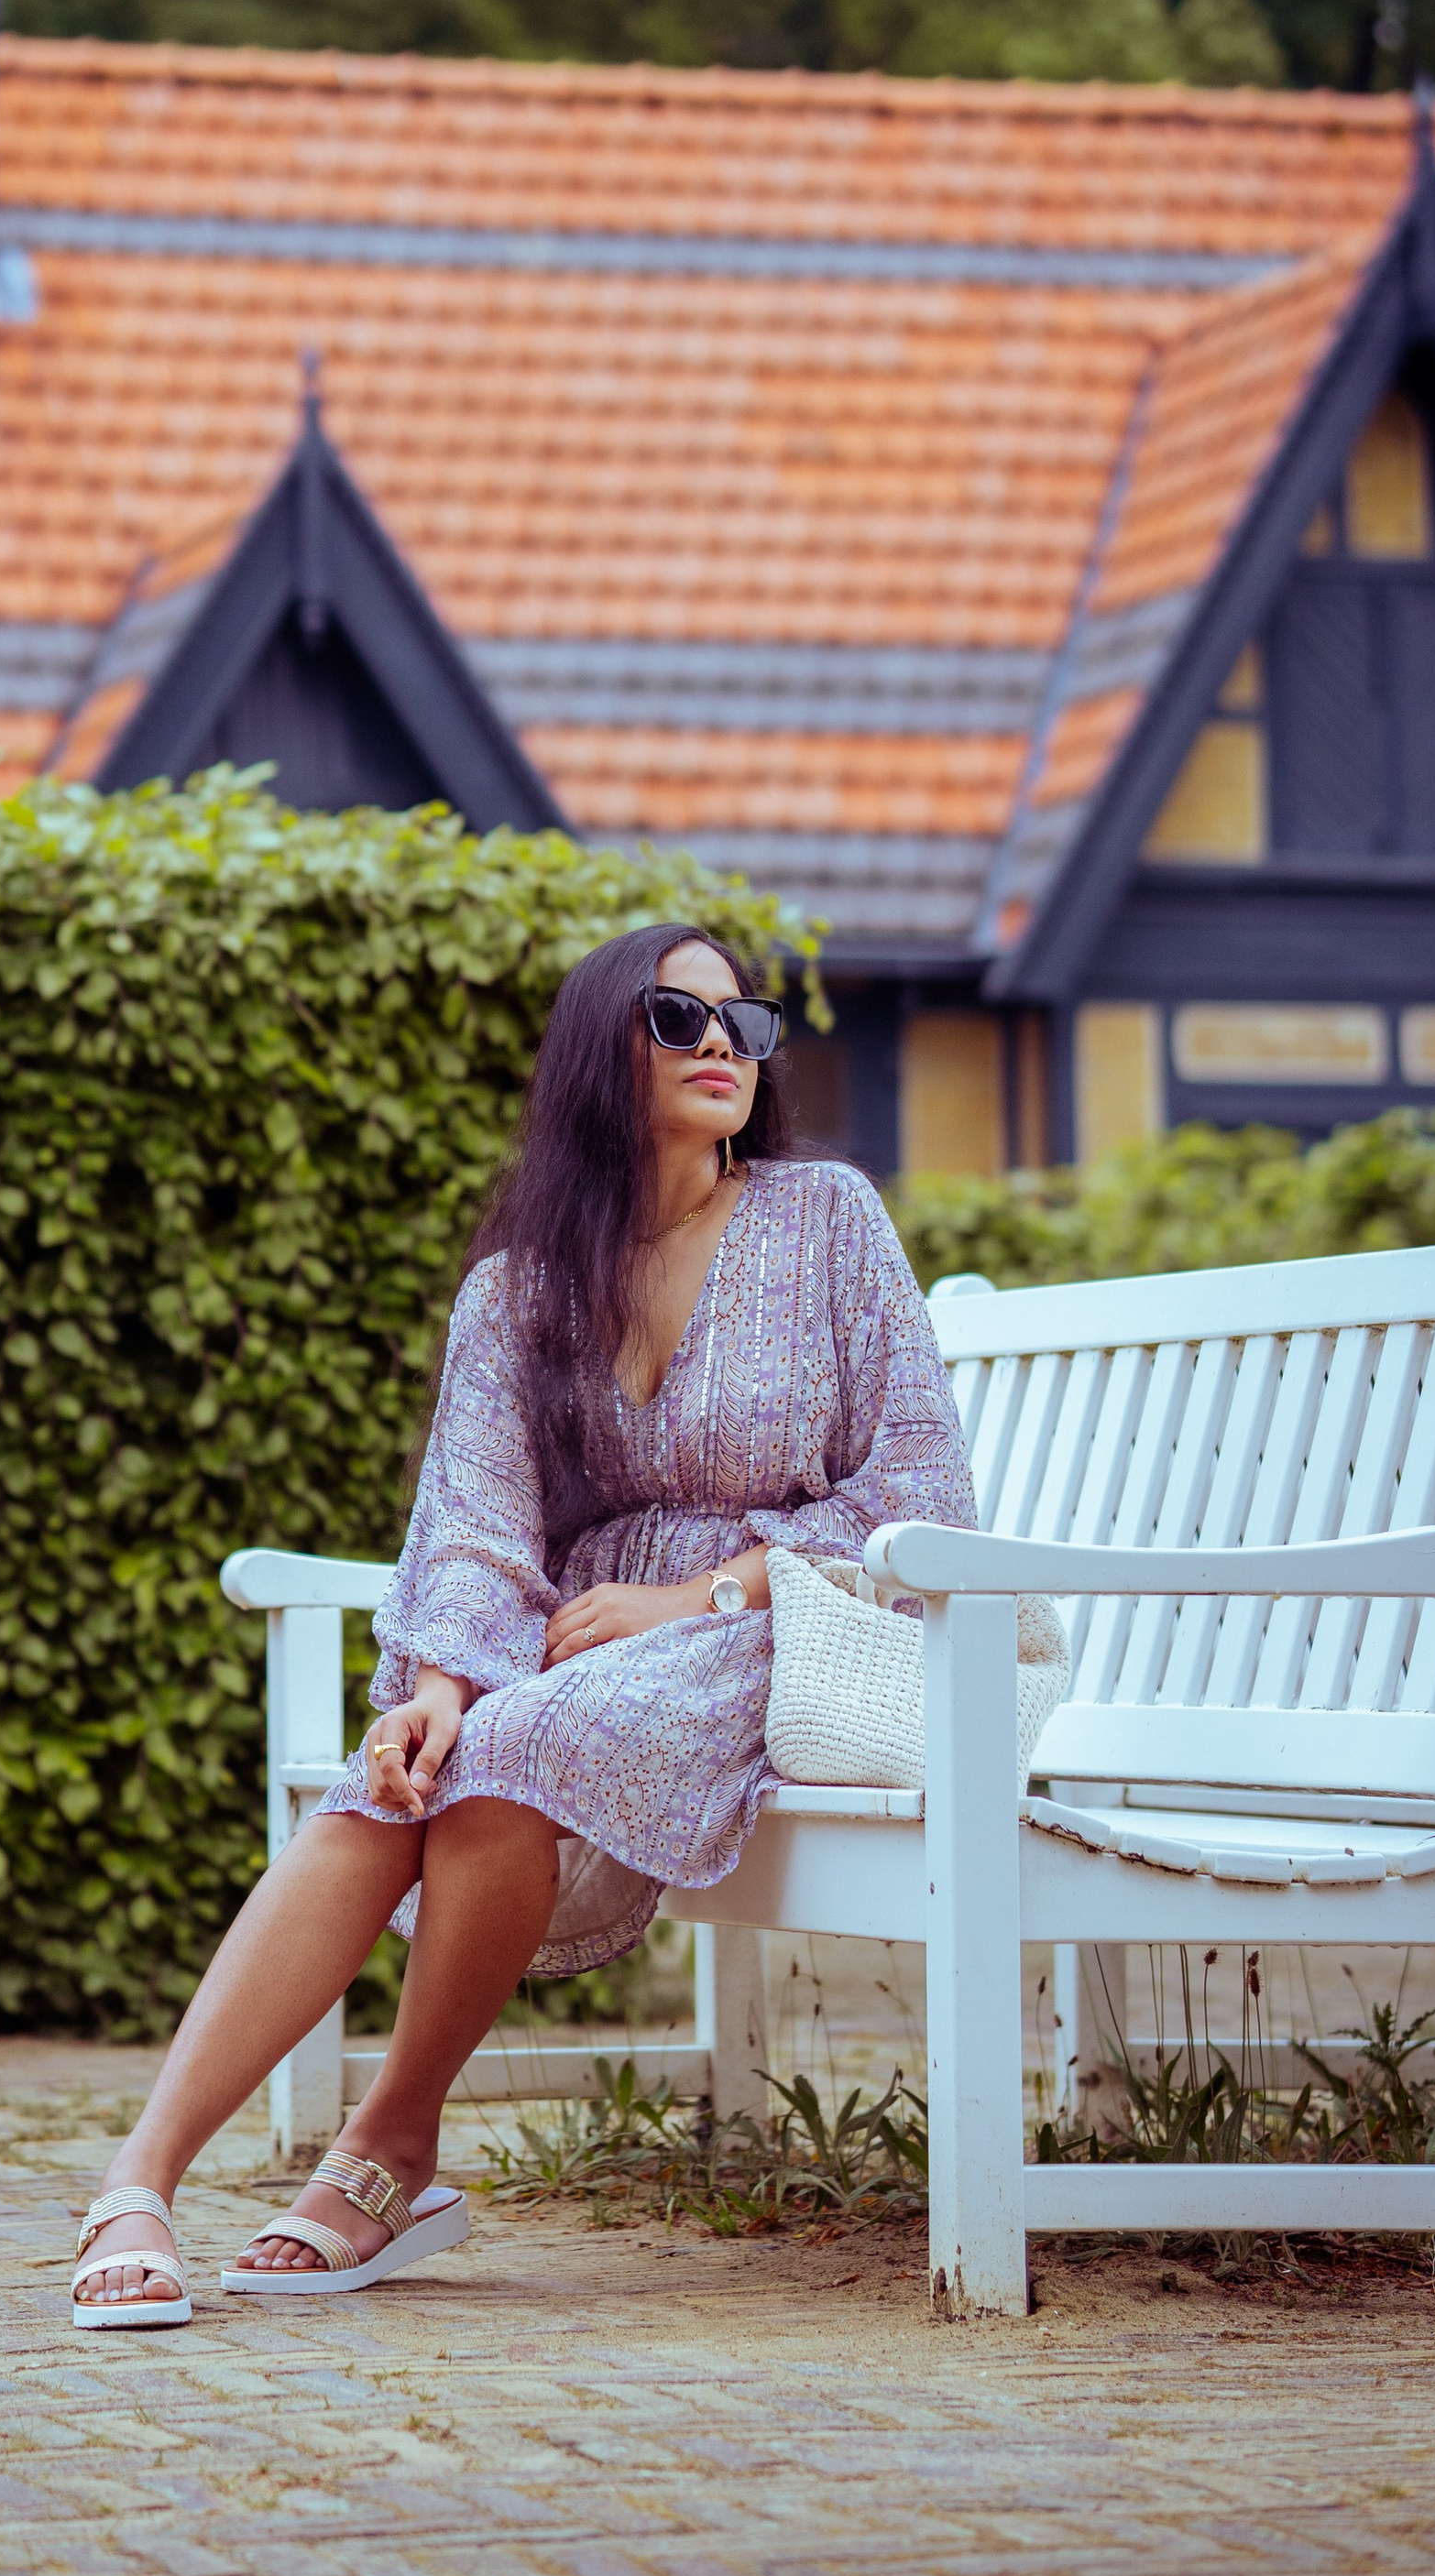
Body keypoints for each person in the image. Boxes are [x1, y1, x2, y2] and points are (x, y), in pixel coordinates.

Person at [71, 920, 977, 2327]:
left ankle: (389, 2144)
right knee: (408, 1767)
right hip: (580, 1640)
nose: (725, 1045)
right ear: (599, 1049)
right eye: (683, 1021)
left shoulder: (829, 1220)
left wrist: (704, 1591)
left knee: (518, 1741)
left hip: (783, 1619)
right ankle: (140, 2179)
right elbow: (480, 1521)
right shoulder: (522, 1285)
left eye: (747, 1023)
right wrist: (435, 1681)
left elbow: (921, 1489)